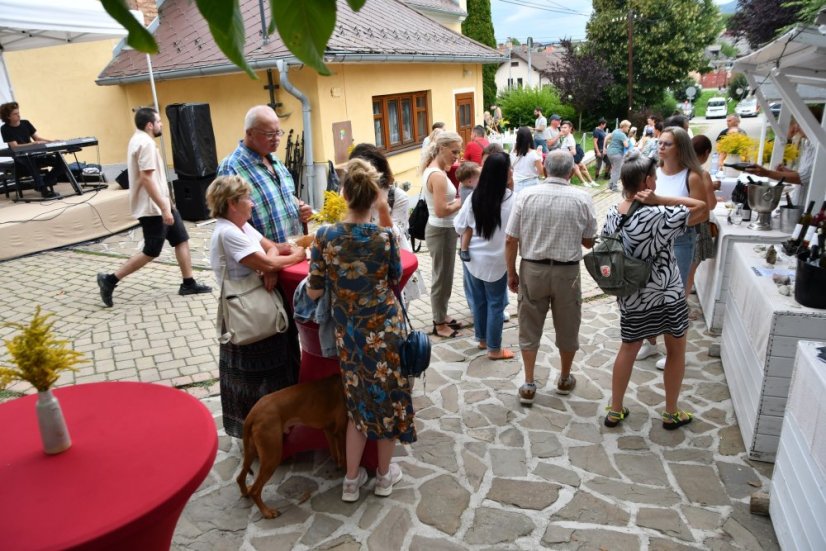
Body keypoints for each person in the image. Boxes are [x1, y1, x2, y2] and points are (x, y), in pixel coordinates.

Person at [306, 158, 415, 502]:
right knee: (388, 403)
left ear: (344, 193)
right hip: (385, 330)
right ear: (374, 197)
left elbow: (314, 290)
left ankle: (351, 482)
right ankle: (384, 478)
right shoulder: (384, 238)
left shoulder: (324, 236)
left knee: (357, 405)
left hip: (350, 335)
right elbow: (395, 278)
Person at [601, 150, 707, 430]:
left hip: (632, 296)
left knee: (628, 349)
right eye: (654, 178)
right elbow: (703, 207)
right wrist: (660, 199)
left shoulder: (614, 213)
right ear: (647, 182)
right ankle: (671, 413)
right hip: (666, 295)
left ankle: (615, 409)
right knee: (676, 350)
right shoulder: (659, 214)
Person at [205, 175, 306, 438]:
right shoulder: (228, 232)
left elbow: (272, 249)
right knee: (254, 378)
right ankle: (261, 434)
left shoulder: (241, 226)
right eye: (247, 199)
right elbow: (275, 257)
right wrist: (293, 257)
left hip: (257, 306)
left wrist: (268, 266)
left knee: (275, 366)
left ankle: (280, 430)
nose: (252, 204)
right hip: (248, 314)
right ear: (232, 203)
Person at [505, 150, 597, 404]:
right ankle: (565, 378)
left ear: (544, 168)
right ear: (570, 172)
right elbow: (589, 242)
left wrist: (511, 272)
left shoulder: (526, 196)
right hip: (567, 272)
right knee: (568, 325)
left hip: (532, 269)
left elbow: (511, 238)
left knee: (529, 325)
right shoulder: (583, 198)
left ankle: (529, 382)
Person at [96, 108, 212, 307]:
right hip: (153, 209)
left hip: (161, 205)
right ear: (149, 125)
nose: (162, 124)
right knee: (151, 251)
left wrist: (169, 204)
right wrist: (164, 209)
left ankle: (188, 283)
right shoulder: (146, 143)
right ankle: (109, 280)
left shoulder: (138, 139)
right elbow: (147, 179)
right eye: (158, 121)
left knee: (181, 239)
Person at [636, 126, 708, 368]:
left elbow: (703, 212)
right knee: (648, 294)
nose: (661, 147)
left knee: (673, 298)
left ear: (681, 148)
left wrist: (674, 222)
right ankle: (650, 343)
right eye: (660, 142)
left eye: (667, 143)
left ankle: (674, 352)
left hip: (679, 242)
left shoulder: (692, 176)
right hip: (652, 243)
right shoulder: (653, 172)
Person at [217, 105, 312, 244]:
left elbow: (286, 197)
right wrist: (270, 251)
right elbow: (230, 223)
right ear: (250, 133)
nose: (276, 138)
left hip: (293, 251)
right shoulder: (231, 167)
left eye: (278, 132)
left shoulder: (275, 161)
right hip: (264, 258)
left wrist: (300, 207)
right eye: (269, 134)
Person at [454, 152, 515, 360]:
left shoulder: (474, 197)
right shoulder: (512, 200)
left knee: (479, 302)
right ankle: (495, 349)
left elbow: (459, 226)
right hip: (497, 263)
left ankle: (481, 340)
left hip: (473, 260)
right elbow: (515, 236)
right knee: (496, 305)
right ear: (505, 173)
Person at [350, 143, 427, 303]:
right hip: (360, 262)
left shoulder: (396, 196)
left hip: (392, 260)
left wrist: (383, 211)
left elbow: (396, 235)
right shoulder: (349, 193)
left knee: (398, 306)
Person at [422, 131, 465, 338]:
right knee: (441, 277)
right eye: (454, 151)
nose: (457, 156)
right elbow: (441, 210)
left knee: (446, 276)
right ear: (441, 149)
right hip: (440, 229)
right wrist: (462, 200)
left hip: (443, 229)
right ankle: (439, 323)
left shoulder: (436, 169)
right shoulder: (437, 175)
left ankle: (442, 313)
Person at [0, 101, 64, 198]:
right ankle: (44, 190)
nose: (18, 115)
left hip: (34, 154)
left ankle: (42, 183)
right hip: (20, 158)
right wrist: (33, 144)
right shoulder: (5, 128)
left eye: (18, 112)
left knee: (61, 163)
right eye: (15, 114)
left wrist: (52, 142)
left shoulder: (25, 123)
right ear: (8, 117)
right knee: (29, 160)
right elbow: (15, 147)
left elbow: (37, 139)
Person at [685, 135, 719, 305]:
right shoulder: (702, 173)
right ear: (706, 153)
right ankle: (681, 308)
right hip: (698, 227)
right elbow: (711, 205)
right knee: (689, 271)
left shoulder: (680, 170)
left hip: (681, 226)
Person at [456, 162, 481, 261]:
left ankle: (462, 247)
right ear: (470, 181)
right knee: (468, 230)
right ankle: (464, 249)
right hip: (467, 217)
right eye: (478, 178)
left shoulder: (466, 186)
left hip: (467, 214)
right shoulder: (469, 192)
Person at [560, 120, 596, 187]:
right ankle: (590, 181)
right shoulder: (567, 137)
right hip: (569, 158)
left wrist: (561, 153)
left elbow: (573, 152)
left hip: (568, 158)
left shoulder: (569, 138)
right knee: (581, 166)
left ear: (570, 128)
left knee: (576, 167)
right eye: (562, 127)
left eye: (565, 127)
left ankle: (585, 182)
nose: (563, 129)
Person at [509, 126, 543, 194]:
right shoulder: (534, 154)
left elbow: (511, 168)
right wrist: (540, 156)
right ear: (530, 138)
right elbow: (541, 172)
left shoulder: (512, 152)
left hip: (516, 184)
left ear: (517, 138)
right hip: (532, 185)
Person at [606, 120, 631, 192]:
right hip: (617, 154)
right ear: (624, 127)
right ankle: (614, 187)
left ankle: (610, 185)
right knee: (617, 171)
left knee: (614, 169)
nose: (628, 129)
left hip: (610, 152)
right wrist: (629, 144)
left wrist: (604, 147)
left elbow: (607, 138)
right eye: (628, 127)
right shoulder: (622, 135)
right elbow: (626, 146)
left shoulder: (615, 131)